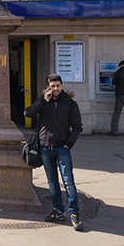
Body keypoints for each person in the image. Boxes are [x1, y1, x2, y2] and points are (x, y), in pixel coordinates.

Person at [24, 74, 84, 231]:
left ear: (62, 86)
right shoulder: (44, 102)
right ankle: (58, 210)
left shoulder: (70, 104)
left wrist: (68, 144)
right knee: (52, 183)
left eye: (57, 86)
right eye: (52, 86)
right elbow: (27, 113)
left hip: (62, 148)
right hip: (45, 147)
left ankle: (74, 214)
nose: (55, 89)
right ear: (47, 87)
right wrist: (44, 100)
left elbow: (77, 126)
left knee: (68, 182)